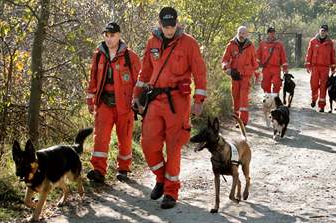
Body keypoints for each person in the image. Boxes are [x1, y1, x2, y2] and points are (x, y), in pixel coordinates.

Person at [132, 7, 207, 209]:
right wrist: (136, 97)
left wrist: (198, 99)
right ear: (160, 25)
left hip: (178, 102)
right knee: (148, 143)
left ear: (177, 23)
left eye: (172, 25)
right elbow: (144, 72)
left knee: (173, 146)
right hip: (155, 99)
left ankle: (171, 192)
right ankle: (160, 178)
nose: (169, 30)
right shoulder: (152, 42)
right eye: (165, 26)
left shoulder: (189, 43)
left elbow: (200, 72)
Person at [86, 22, 141, 183]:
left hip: (124, 105)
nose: (109, 39)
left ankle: (123, 169)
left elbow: (141, 80)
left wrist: (138, 102)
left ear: (119, 35)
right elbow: (93, 79)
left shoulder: (130, 56)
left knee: (124, 138)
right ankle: (98, 170)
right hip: (104, 103)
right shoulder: (98, 55)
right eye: (107, 36)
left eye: (113, 36)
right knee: (100, 137)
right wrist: (90, 99)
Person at [221, 26, 258, 126]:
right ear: (237, 33)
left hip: (245, 76)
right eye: (240, 32)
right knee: (236, 97)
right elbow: (225, 60)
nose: (241, 35)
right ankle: (237, 119)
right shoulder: (231, 45)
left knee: (243, 99)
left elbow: (254, 63)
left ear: (247, 35)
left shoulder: (250, 46)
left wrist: (255, 74)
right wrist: (227, 69)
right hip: (235, 75)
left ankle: (243, 121)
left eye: (243, 33)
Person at [305, 24, 336, 112]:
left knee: (323, 87)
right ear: (319, 30)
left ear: (327, 32)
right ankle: (314, 99)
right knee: (314, 85)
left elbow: (332, 55)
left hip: (325, 68)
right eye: (322, 30)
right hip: (315, 67)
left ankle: (321, 106)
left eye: (325, 31)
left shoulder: (330, 43)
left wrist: (333, 67)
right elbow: (309, 53)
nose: (323, 32)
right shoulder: (313, 41)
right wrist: (308, 65)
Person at [256, 27, 289, 96]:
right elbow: (258, 56)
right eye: (270, 33)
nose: (272, 34)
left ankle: (274, 99)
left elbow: (283, 56)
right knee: (265, 84)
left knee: (277, 83)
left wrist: (285, 68)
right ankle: (268, 99)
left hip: (276, 68)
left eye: (273, 33)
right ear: (267, 34)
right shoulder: (262, 44)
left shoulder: (279, 44)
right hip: (266, 68)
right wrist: (256, 67)